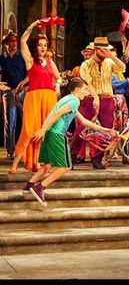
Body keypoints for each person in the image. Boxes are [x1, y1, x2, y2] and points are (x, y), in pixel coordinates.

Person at [23, 78, 116, 205]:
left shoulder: (68, 99)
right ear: (77, 90)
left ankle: (29, 185)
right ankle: (40, 187)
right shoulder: (74, 100)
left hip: (50, 133)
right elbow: (57, 114)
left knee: (49, 164)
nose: (87, 93)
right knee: (66, 166)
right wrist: (43, 129)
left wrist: (103, 129)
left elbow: (83, 121)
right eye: (85, 90)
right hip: (56, 133)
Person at [9, 21, 60, 173]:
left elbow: (58, 78)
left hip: (49, 98)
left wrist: (57, 86)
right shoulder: (30, 61)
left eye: (45, 45)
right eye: (40, 45)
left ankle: (36, 162)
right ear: (35, 47)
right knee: (29, 130)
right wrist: (34, 25)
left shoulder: (51, 63)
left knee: (42, 131)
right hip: (34, 98)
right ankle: (14, 165)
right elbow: (23, 41)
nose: (43, 48)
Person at [69, 36, 126, 170]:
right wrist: (95, 97)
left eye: (106, 49)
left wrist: (112, 57)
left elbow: (122, 68)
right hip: (90, 99)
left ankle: (97, 158)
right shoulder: (86, 64)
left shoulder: (109, 62)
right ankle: (71, 156)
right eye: (102, 50)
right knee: (81, 127)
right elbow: (86, 83)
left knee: (105, 129)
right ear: (96, 50)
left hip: (107, 98)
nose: (104, 52)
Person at [0, 29, 27, 160]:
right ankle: (11, 150)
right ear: (6, 43)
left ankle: (25, 149)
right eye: (11, 41)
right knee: (10, 121)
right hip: (9, 91)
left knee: (26, 120)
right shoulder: (2, 58)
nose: (14, 43)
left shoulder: (21, 56)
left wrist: (22, 84)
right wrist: (1, 86)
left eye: (15, 41)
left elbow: (29, 72)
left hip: (23, 91)